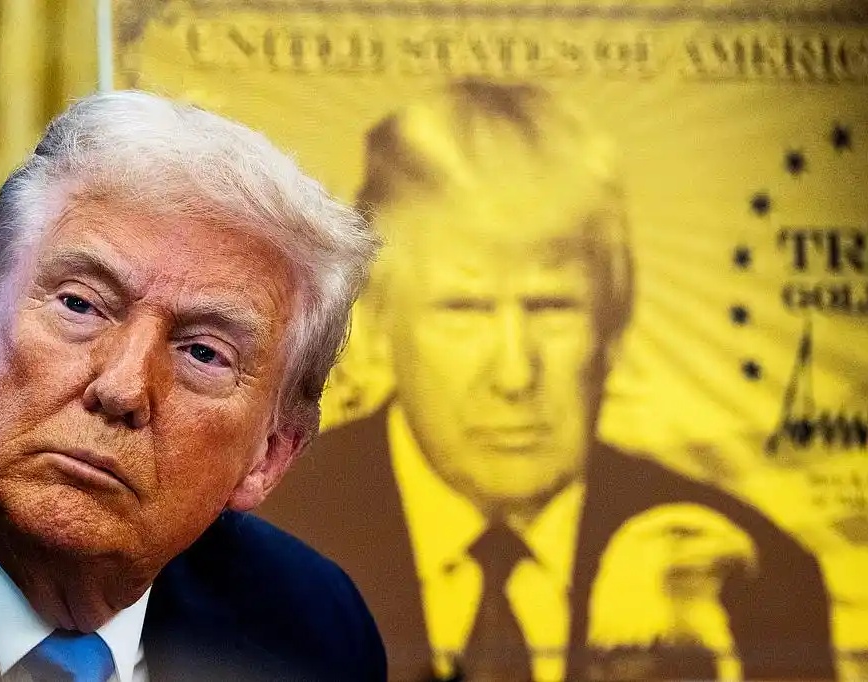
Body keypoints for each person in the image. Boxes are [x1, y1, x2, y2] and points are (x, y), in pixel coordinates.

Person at [259, 80, 835, 682]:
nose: (514, 375)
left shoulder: (757, 576)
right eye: (465, 309)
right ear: (379, 320)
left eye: (552, 306)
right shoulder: (261, 535)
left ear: (614, 319)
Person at [0, 91, 386, 681]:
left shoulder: (312, 636)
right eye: (80, 305)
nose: (123, 388)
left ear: (269, 455)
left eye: (203, 353)